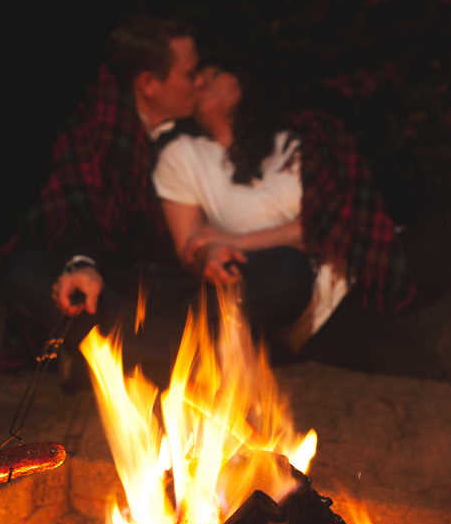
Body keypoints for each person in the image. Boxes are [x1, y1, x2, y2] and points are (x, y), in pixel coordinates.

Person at [0, 16, 207, 386]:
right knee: (25, 272)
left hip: (163, 279)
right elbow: (73, 208)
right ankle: (175, 356)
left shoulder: (199, 132)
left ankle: (101, 351)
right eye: (190, 73)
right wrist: (82, 264)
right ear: (148, 84)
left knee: (273, 276)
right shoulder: (98, 130)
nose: (200, 82)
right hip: (107, 275)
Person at [152, 63, 414, 351]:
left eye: (214, 74)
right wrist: (210, 252)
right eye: (195, 79)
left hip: (360, 268)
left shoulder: (298, 140)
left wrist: (233, 240)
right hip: (298, 297)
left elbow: (331, 221)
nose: (202, 83)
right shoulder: (183, 155)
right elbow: (193, 245)